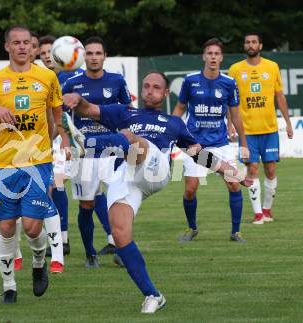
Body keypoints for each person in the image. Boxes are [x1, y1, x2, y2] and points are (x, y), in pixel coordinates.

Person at [61, 71, 252, 313]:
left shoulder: (173, 123)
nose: (150, 90)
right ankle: (153, 295)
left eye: (156, 87)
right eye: (146, 86)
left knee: (132, 138)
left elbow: (199, 154)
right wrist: (77, 98)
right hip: (126, 175)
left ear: (164, 93)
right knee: (120, 236)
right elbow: (88, 110)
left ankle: (85, 146)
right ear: (141, 90)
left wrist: (232, 172)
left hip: (155, 168)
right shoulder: (123, 112)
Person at [0, 25, 64, 303]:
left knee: (31, 227)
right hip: (6, 166)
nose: (21, 47)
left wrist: (57, 139)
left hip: (39, 163)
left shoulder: (47, 77)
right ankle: (9, 286)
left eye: (26, 43)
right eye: (15, 43)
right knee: (6, 227)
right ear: (7, 47)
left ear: (32, 47)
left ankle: (39, 263)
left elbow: (56, 115)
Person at [61, 36, 132, 268]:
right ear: (84, 57)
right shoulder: (72, 83)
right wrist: (65, 139)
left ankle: (121, 250)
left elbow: (127, 114)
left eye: (97, 53)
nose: (93, 57)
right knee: (87, 205)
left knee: (119, 202)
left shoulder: (117, 81)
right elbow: (59, 115)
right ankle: (90, 253)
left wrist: (128, 140)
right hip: (86, 153)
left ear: (104, 56)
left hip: (112, 151)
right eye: (89, 53)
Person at [172, 38, 249, 242]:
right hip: (194, 144)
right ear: (204, 56)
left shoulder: (229, 83)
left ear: (221, 58)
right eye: (210, 53)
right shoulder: (190, 81)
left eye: (217, 54)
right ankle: (192, 228)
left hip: (221, 143)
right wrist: (171, 130)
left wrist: (243, 144)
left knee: (234, 184)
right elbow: (180, 108)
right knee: (190, 189)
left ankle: (236, 231)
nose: (213, 57)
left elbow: (236, 116)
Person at [228, 32, 293, 224]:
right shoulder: (235, 70)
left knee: (271, 170)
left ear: (260, 45)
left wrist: (288, 122)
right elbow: (230, 101)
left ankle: (267, 209)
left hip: (270, 129)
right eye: (247, 42)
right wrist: (230, 124)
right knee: (252, 169)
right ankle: (258, 214)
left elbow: (279, 96)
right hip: (247, 131)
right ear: (244, 46)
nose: (250, 45)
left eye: (254, 42)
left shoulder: (272, 67)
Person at [38, 35, 83, 257]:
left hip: (71, 139)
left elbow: (62, 115)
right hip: (54, 138)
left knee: (63, 188)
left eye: (50, 52)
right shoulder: (44, 78)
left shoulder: (69, 77)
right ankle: (61, 240)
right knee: (55, 188)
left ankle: (62, 240)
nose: (47, 56)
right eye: (44, 52)